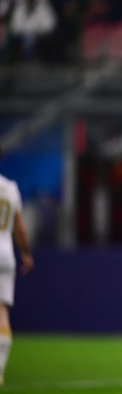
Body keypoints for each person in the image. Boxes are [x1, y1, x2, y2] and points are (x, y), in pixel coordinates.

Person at [0, 145, 34, 385]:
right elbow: (20, 228)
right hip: (6, 255)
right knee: (2, 314)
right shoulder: (11, 188)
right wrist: (27, 253)